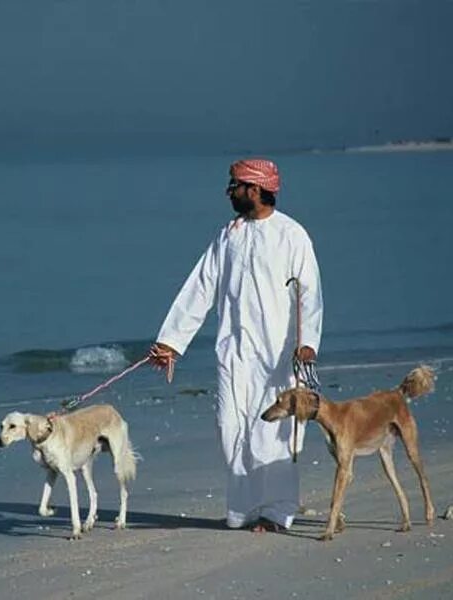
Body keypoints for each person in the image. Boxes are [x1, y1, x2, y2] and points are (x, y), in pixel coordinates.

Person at [149, 158, 323, 532]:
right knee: (230, 427)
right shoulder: (228, 235)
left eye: (235, 186)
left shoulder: (292, 235)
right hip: (233, 350)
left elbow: (311, 295)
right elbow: (200, 288)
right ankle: (243, 511)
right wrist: (170, 343)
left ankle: (276, 512)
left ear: (255, 190)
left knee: (272, 435)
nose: (229, 192)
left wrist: (307, 342)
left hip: (278, 355)